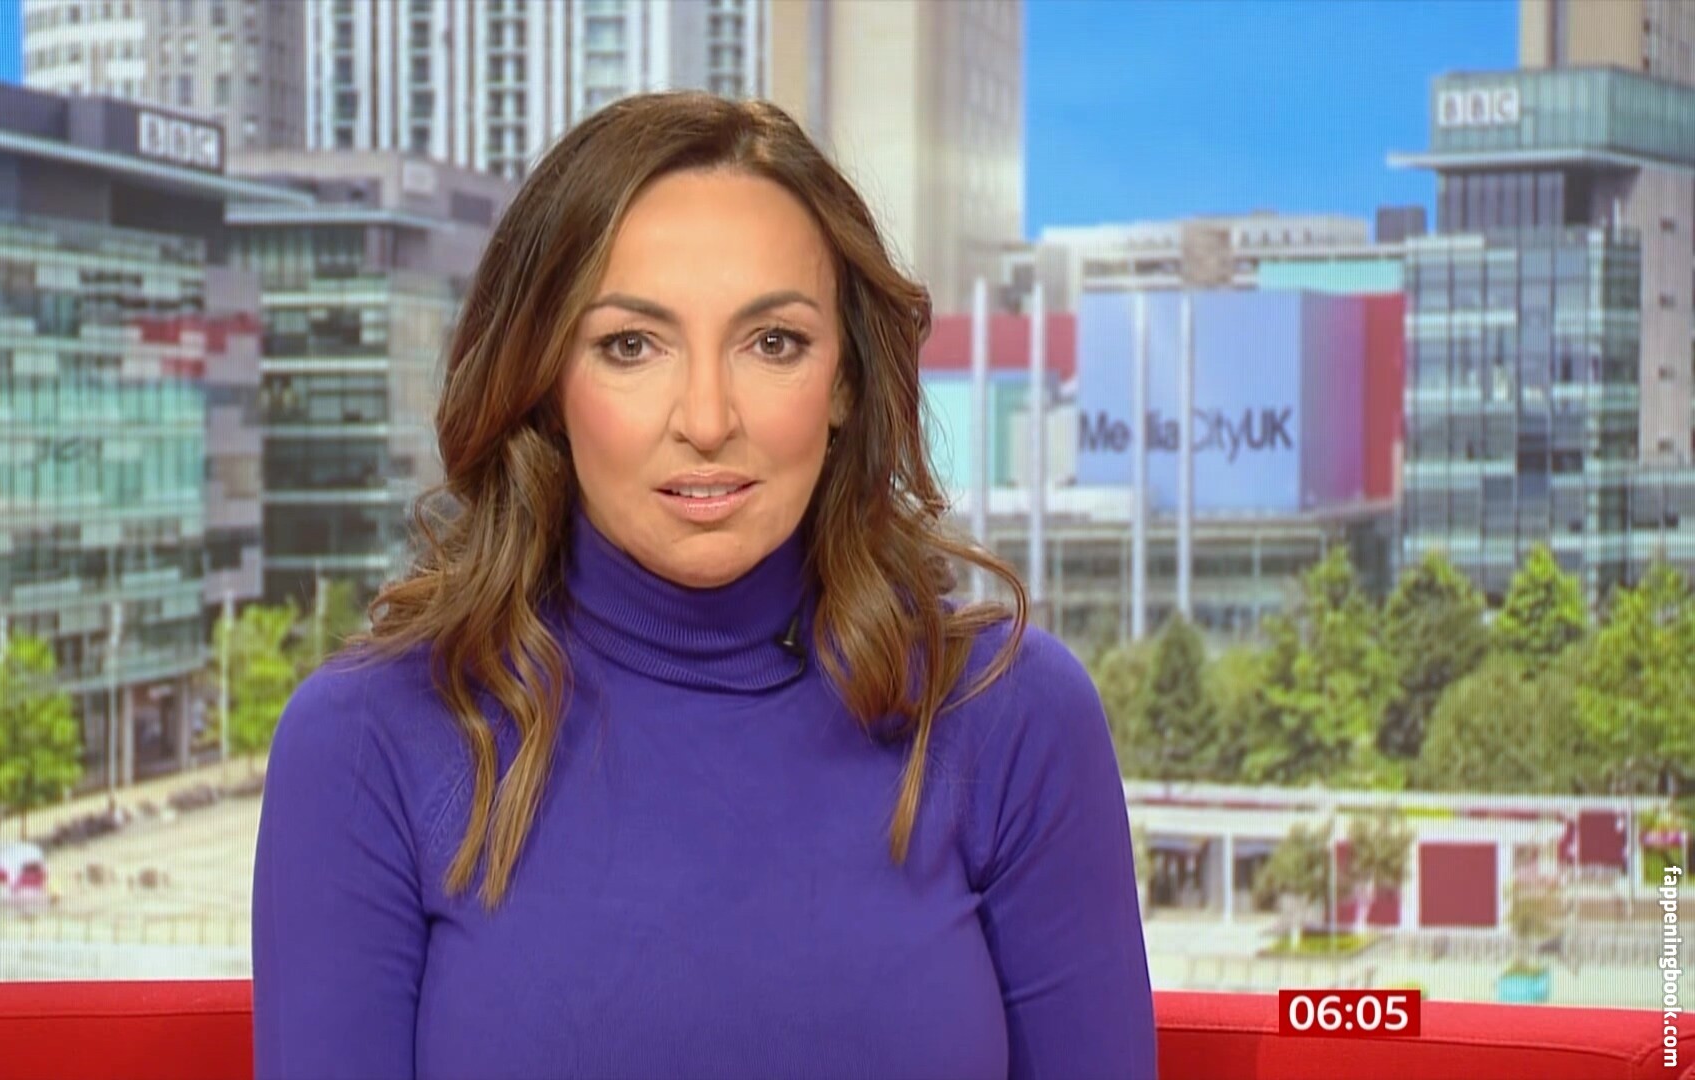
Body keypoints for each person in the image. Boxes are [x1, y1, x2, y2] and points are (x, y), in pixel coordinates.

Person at [252, 90, 1156, 1079]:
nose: (709, 418)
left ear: (845, 382)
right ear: (547, 384)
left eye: (773, 343)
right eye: (631, 346)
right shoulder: (367, 741)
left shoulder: (1011, 717)